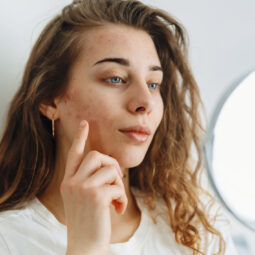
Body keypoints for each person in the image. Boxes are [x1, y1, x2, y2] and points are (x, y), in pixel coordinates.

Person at [0, 0, 238, 254]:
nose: (145, 102)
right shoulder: (8, 239)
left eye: (153, 84)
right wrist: (86, 246)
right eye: (115, 78)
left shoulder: (198, 225)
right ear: (49, 99)